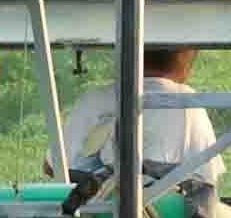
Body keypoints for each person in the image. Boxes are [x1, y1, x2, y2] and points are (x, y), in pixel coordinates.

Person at [56, 47, 220, 186]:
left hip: (95, 215)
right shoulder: (186, 100)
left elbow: (54, 166)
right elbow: (207, 175)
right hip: (163, 215)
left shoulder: (94, 99)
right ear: (185, 56)